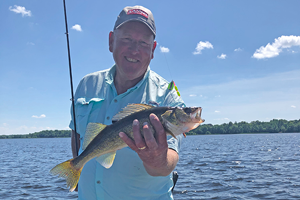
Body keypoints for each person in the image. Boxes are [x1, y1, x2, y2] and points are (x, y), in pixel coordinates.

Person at [70, 5, 185, 200]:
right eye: (127, 39)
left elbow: (169, 162)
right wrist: (77, 164)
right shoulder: (86, 84)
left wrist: (157, 159)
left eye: (143, 42)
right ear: (111, 41)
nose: (134, 50)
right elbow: (77, 134)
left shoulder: (169, 96)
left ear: (153, 49)